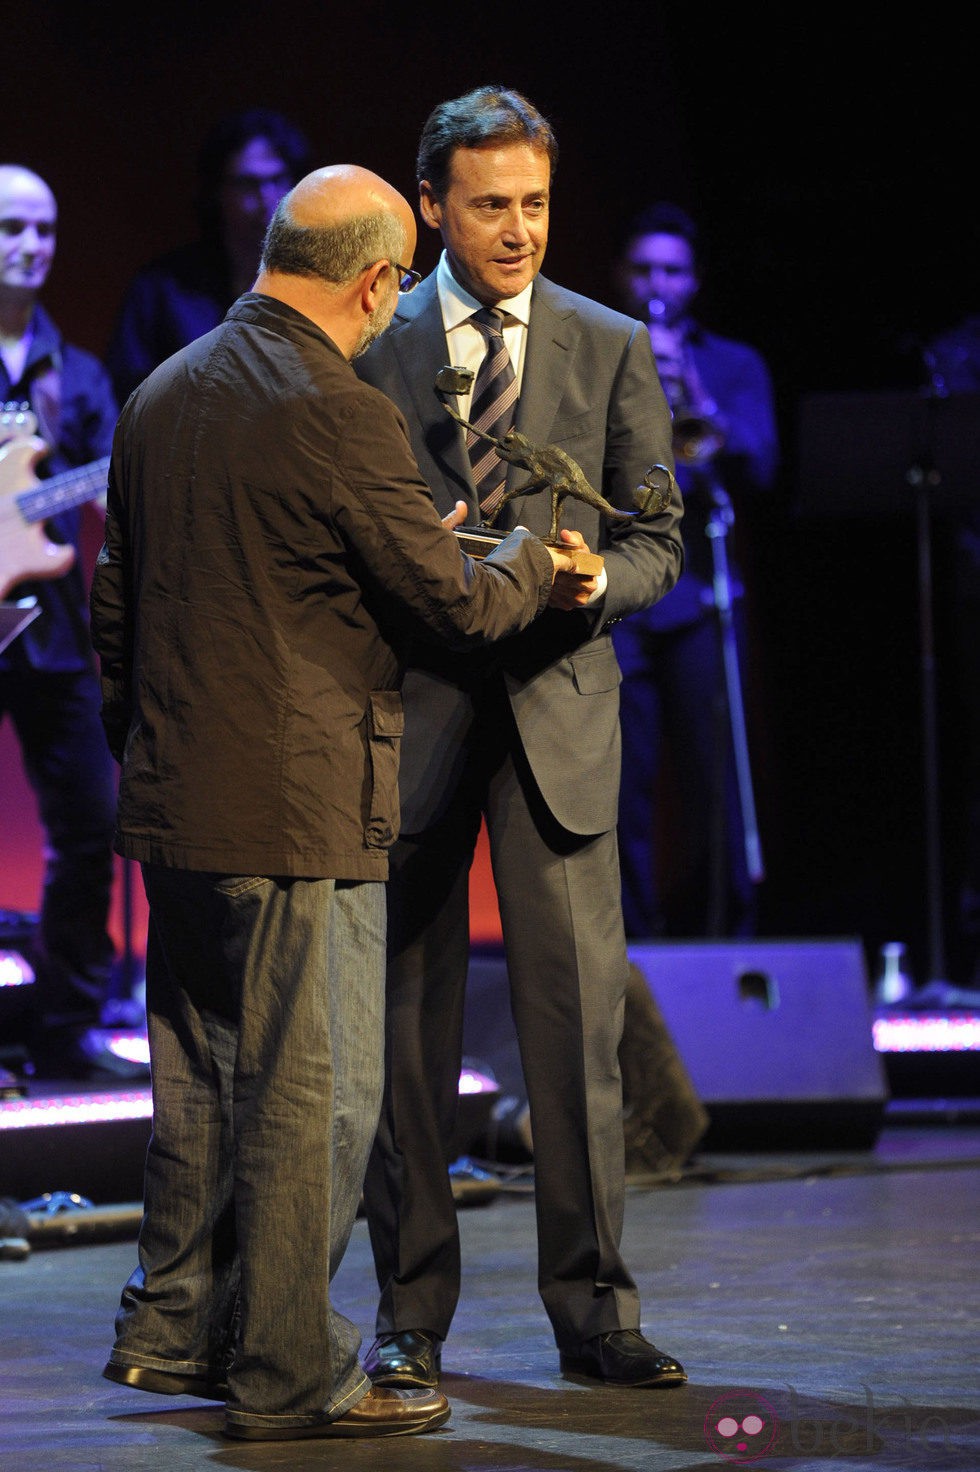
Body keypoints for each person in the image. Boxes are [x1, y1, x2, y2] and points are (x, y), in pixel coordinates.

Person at [91, 162, 575, 1443]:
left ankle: (174, 1331)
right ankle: (293, 1371)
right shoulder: (332, 400)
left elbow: (117, 615)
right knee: (313, 1096)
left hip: (177, 800)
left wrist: (144, 756)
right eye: (397, 285)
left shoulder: (159, 390)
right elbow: (456, 605)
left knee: (199, 1080)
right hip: (299, 810)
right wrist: (532, 558)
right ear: (372, 281)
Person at [354, 86, 689, 1391]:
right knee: (403, 1047)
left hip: (560, 720)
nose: (517, 231)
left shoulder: (609, 346)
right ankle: (409, 1317)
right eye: (489, 206)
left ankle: (597, 1311)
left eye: (535, 204)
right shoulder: (368, 341)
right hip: (415, 712)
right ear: (430, 203)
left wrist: (599, 580)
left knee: (575, 1037)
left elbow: (656, 533)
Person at [610, 202, 779, 940]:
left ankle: (726, 945)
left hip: (703, 593)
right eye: (645, 268)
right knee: (623, 789)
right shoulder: (601, 352)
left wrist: (697, 400)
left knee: (718, 784)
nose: (659, 283)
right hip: (619, 597)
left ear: (695, 280)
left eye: (673, 270)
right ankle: (636, 955)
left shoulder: (734, 364)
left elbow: (763, 467)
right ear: (622, 274)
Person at [0, 163, 122, 1078]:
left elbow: (111, 483)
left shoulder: (77, 374)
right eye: (11, 227)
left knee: (95, 821)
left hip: (49, 630)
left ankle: (66, 1022)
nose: (29, 246)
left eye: (42, 229)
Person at [104, 106, 312, 404]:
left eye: (278, 180)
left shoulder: (317, 282)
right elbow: (129, 396)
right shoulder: (160, 290)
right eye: (248, 184)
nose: (267, 199)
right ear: (218, 192)